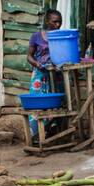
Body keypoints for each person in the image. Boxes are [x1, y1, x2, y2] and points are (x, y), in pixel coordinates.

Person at [25, 9, 63, 139]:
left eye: (60, 22)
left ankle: (52, 135)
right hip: (40, 77)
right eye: (55, 22)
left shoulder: (61, 36)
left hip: (55, 76)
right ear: (47, 21)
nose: (58, 25)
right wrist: (37, 64)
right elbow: (29, 56)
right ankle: (36, 136)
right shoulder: (36, 36)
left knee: (55, 106)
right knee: (38, 104)